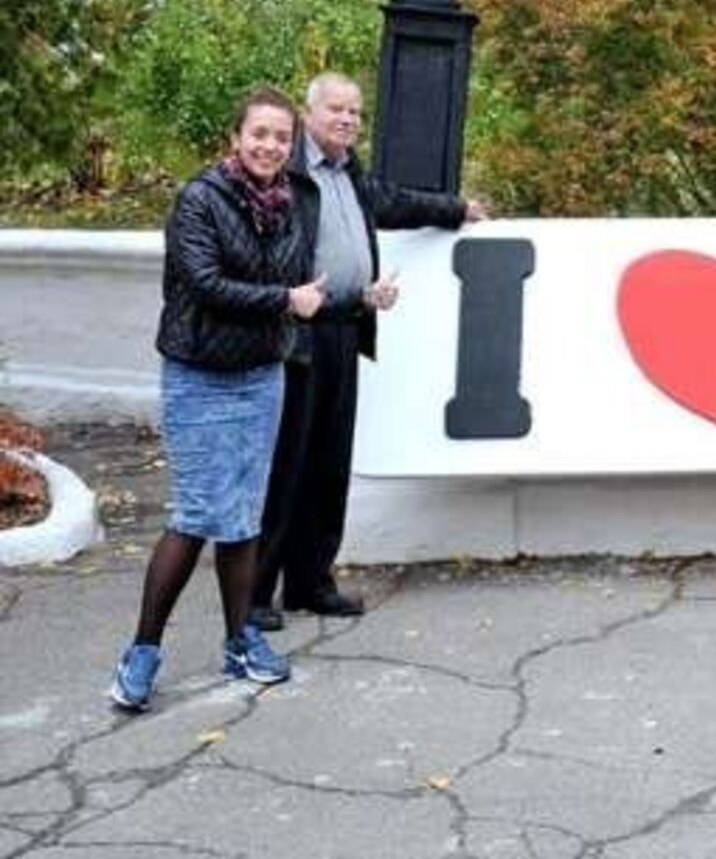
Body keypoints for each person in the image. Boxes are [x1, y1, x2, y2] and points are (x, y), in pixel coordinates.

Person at [110, 88, 326, 711]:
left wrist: (359, 297)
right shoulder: (199, 199)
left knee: (245, 514)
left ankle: (240, 640)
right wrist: (287, 302)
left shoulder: (289, 205)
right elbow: (206, 285)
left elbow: (300, 284)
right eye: (259, 133)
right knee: (197, 512)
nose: (270, 146)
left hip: (262, 375)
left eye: (282, 137)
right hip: (200, 375)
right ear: (235, 137)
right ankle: (142, 651)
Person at [249, 72, 486, 631]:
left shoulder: (348, 172)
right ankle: (256, 592)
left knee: (329, 464)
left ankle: (311, 582)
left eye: (356, 112)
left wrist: (456, 209)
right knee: (287, 466)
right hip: (295, 334)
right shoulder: (286, 168)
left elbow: (392, 202)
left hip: (346, 326)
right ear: (310, 114)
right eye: (337, 109)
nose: (349, 120)